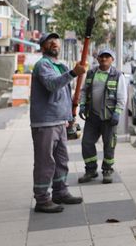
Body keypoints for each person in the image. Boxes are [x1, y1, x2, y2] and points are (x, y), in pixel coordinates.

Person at [30, 32, 87, 213]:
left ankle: (60, 191)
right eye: (50, 41)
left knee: (62, 160)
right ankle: (42, 199)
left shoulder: (59, 65)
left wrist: (70, 118)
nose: (54, 43)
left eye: (56, 40)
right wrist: (72, 73)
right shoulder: (42, 65)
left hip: (60, 121)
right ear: (43, 46)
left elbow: (65, 95)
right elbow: (52, 85)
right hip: (45, 122)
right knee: (45, 162)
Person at [78, 48, 125, 185]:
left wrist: (117, 112)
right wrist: (82, 105)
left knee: (109, 145)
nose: (104, 59)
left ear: (112, 60)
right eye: (101, 57)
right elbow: (84, 90)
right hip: (92, 116)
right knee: (87, 143)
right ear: (97, 59)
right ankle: (91, 170)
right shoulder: (91, 73)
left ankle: (107, 170)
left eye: (107, 57)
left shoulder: (117, 75)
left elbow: (122, 96)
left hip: (109, 117)